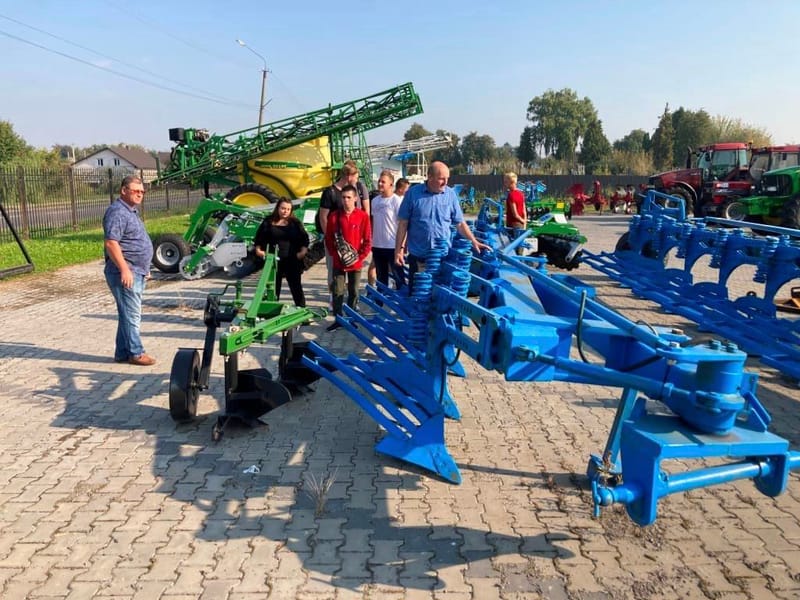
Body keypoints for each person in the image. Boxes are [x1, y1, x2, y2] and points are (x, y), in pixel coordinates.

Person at [394, 161, 490, 292]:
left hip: (442, 258)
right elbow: (403, 223)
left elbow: (460, 223)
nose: (445, 182)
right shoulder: (413, 194)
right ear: (429, 177)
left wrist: (474, 241)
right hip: (419, 258)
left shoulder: (450, 195)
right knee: (418, 297)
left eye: (447, 179)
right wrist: (398, 250)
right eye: (441, 179)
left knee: (439, 296)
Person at [102, 175, 156, 366]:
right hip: (124, 272)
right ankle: (136, 353)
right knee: (132, 314)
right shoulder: (117, 212)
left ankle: (122, 353)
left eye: (142, 191)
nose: (140, 194)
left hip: (136, 269)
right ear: (124, 191)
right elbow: (111, 242)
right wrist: (125, 269)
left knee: (126, 313)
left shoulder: (130, 211)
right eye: (136, 190)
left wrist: (144, 267)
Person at [318, 160, 370, 296]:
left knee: (354, 272)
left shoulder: (357, 189)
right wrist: (330, 238)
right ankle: (333, 297)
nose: (357, 179)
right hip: (336, 239)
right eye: (356, 176)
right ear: (348, 176)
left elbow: (364, 212)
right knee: (334, 271)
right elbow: (323, 217)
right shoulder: (330, 192)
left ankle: (351, 300)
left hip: (354, 239)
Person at [324, 185, 371, 331]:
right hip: (339, 262)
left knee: (354, 291)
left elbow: (368, 240)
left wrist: (360, 257)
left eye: (349, 197)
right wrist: (334, 253)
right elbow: (328, 238)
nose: (346, 200)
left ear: (355, 198)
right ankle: (338, 319)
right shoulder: (334, 217)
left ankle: (351, 319)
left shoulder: (362, 216)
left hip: (355, 263)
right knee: (338, 291)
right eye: (343, 197)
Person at [253, 197, 310, 307]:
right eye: (283, 208)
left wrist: (302, 252)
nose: (285, 211)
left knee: (296, 287)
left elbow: (304, 239)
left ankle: (302, 310)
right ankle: (271, 310)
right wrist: (258, 250)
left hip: (292, 259)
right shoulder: (268, 221)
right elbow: (259, 238)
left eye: (288, 209)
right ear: (278, 208)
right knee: (273, 288)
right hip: (273, 260)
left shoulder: (295, 223)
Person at [370, 170, 405, 288]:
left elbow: (403, 225)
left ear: (391, 184)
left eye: (383, 182)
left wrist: (401, 247)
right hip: (378, 246)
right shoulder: (374, 201)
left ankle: (402, 303)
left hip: (392, 246)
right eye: (379, 181)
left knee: (398, 277)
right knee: (381, 278)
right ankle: (380, 303)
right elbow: (374, 222)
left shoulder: (396, 201)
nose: (380, 184)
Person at [504, 172, 527, 236]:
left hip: (513, 225)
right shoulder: (521, 194)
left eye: (506, 182)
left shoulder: (511, 195)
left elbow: (515, 214)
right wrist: (524, 222)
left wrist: (522, 220)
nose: (504, 184)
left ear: (511, 182)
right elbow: (524, 211)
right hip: (521, 224)